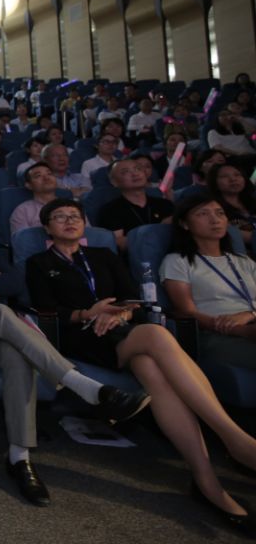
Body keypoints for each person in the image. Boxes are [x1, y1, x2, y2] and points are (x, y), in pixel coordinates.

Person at [31, 197, 256, 535]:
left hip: (121, 331)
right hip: (78, 336)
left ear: (84, 223)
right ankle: (233, 437)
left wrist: (120, 312)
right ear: (47, 228)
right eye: (59, 217)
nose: (68, 221)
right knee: (155, 335)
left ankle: (207, 482)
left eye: (75, 216)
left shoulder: (104, 255)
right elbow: (46, 310)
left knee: (153, 372)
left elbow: (134, 298)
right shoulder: (39, 262)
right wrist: (88, 314)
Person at [0, 191, 149, 506]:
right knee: (1, 312)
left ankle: (20, 456)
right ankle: (80, 384)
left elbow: (13, 285)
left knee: (17, 355)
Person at [162, 194, 256, 372]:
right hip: (216, 334)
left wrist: (250, 315)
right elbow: (186, 312)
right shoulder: (177, 261)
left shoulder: (244, 261)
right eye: (203, 214)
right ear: (185, 224)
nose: (215, 220)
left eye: (220, 213)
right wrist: (239, 330)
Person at [97, 159, 174, 250]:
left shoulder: (164, 204)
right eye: (125, 172)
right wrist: (158, 230)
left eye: (138, 169)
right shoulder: (110, 210)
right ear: (114, 182)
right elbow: (119, 242)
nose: (135, 174)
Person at [9, 162, 69, 237]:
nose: (46, 178)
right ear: (29, 185)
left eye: (49, 174)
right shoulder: (22, 211)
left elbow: (87, 235)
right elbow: (23, 243)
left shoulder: (72, 206)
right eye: (38, 175)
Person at [207, 162, 256, 246]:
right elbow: (242, 237)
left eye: (237, 175)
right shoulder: (213, 210)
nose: (233, 179)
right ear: (215, 183)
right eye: (224, 176)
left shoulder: (253, 201)